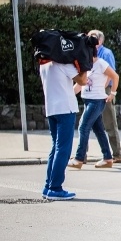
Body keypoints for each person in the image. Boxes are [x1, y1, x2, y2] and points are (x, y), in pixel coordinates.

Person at [40, 61, 89, 200]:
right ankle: (55, 188)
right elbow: (83, 80)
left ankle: (48, 186)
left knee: (55, 147)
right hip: (65, 109)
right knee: (63, 149)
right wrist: (85, 63)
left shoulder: (43, 64)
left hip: (51, 109)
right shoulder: (63, 64)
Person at [67, 45, 119, 169]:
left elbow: (115, 76)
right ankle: (107, 158)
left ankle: (79, 159)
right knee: (99, 130)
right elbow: (80, 85)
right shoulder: (86, 65)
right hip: (88, 100)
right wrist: (68, 95)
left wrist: (112, 93)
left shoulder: (101, 63)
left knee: (83, 127)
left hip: (96, 101)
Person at [89, 30, 121, 163]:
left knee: (109, 122)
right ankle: (82, 155)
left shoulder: (106, 53)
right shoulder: (88, 52)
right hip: (93, 91)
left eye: (92, 38)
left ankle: (117, 154)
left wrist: (106, 90)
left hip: (105, 90)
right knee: (87, 123)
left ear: (100, 41)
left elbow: (111, 73)